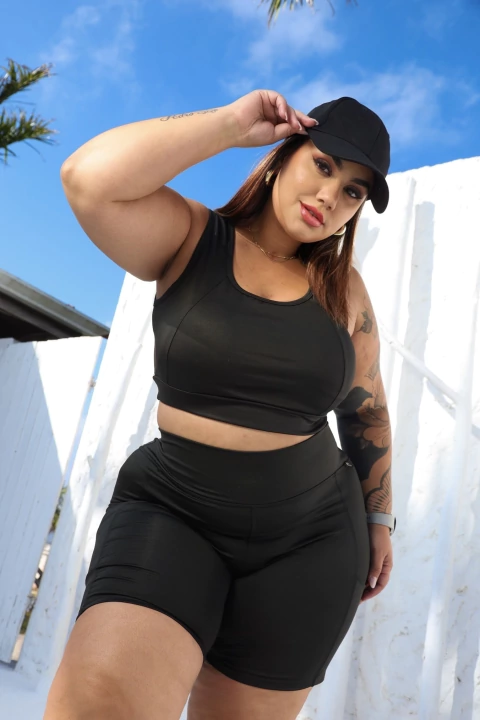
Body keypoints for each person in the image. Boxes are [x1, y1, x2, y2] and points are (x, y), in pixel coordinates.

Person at [44, 90, 396, 720]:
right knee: (97, 704)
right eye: (322, 166)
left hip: (312, 538)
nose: (328, 196)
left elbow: (366, 411)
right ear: (285, 155)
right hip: (173, 511)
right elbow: (87, 180)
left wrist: (379, 518)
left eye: (352, 192)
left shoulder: (345, 292)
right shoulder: (192, 237)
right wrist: (231, 124)